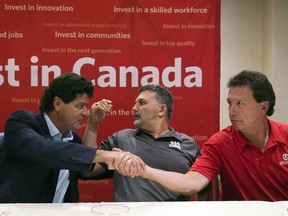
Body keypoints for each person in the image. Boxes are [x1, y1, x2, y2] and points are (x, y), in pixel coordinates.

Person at [113, 70, 288, 201]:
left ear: (263, 107)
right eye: (229, 103)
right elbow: (192, 184)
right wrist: (145, 171)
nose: (231, 111)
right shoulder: (220, 143)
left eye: (240, 103)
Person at [0, 72, 143, 203]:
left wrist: (92, 125)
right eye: (80, 106)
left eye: (86, 106)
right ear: (57, 104)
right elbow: (45, 149)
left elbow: (88, 169)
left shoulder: (73, 139)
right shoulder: (22, 122)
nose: (85, 113)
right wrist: (106, 155)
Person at [82, 84, 206, 201]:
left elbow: (202, 187)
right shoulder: (121, 138)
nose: (134, 108)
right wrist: (92, 124)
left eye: (141, 103)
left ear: (162, 110)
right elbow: (87, 170)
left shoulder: (188, 145)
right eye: (136, 103)